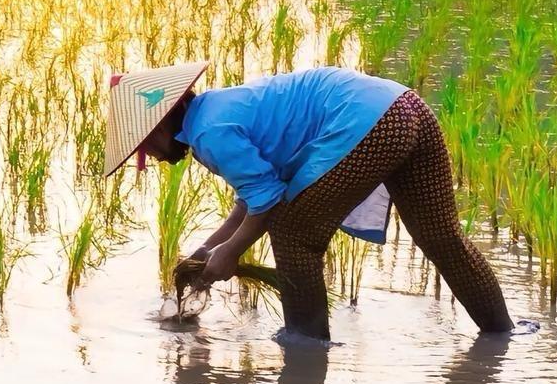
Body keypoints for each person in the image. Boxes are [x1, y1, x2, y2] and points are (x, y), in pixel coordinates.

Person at [103, 63, 513, 340]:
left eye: (144, 148)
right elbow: (251, 200)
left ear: (158, 127)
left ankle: (305, 347)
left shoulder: (210, 134)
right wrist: (209, 248)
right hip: (406, 107)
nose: (152, 158)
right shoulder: (215, 111)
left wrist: (230, 254)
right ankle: (501, 336)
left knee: (294, 235)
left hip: (368, 123)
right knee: (442, 238)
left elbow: (268, 204)